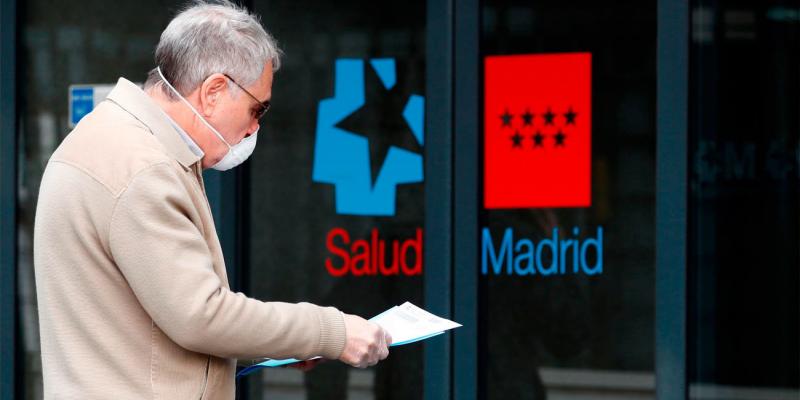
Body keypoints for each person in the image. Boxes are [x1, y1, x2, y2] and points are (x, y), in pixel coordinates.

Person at [32, 1, 390, 398]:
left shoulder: (110, 139)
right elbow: (200, 315)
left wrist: (288, 343)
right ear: (214, 91)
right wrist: (330, 332)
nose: (256, 126)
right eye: (258, 108)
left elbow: (143, 326)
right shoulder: (144, 169)